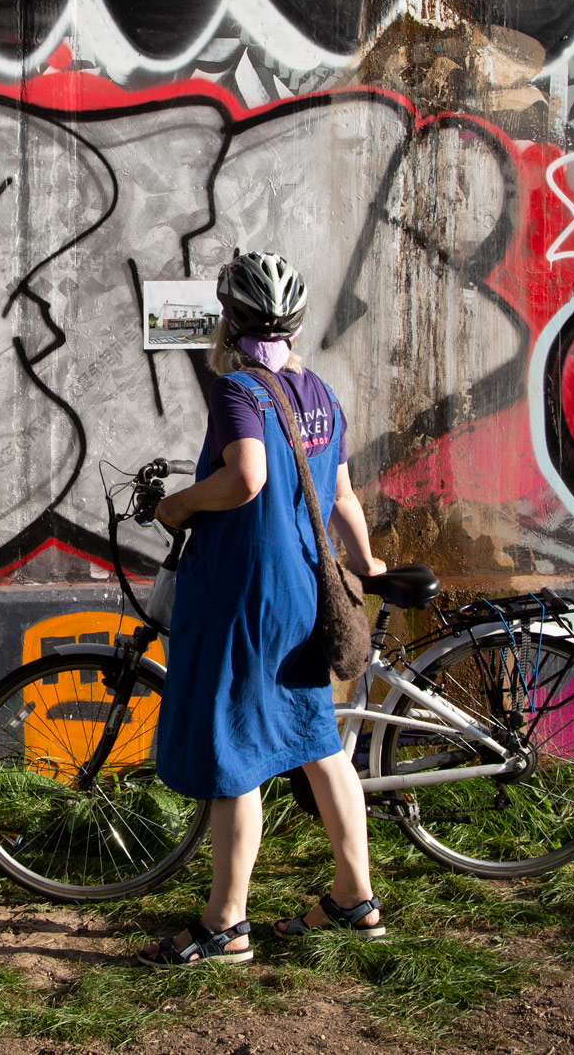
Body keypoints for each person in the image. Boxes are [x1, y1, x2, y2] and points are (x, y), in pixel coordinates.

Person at [139, 251, 388, 966]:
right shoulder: (317, 392)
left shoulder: (237, 389)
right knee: (317, 743)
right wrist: (365, 564)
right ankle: (354, 896)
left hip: (249, 595)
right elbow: (340, 495)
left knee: (236, 753)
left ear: (229, 320)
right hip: (309, 590)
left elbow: (245, 478)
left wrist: (177, 503)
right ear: (296, 322)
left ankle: (225, 924)